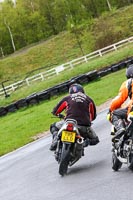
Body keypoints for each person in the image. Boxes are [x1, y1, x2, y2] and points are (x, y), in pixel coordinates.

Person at [49, 83, 99, 151]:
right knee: (95, 140)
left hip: (69, 122)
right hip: (84, 126)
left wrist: (58, 114)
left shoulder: (67, 98)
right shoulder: (89, 99)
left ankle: (55, 140)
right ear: (82, 91)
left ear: (70, 92)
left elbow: (56, 111)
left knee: (53, 126)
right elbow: (93, 116)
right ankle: (84, 142)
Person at [108, 64, 133, 143]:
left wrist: (111, 109)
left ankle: (120, 128)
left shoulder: (129, 82)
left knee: (115, 113)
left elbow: (119, 99)